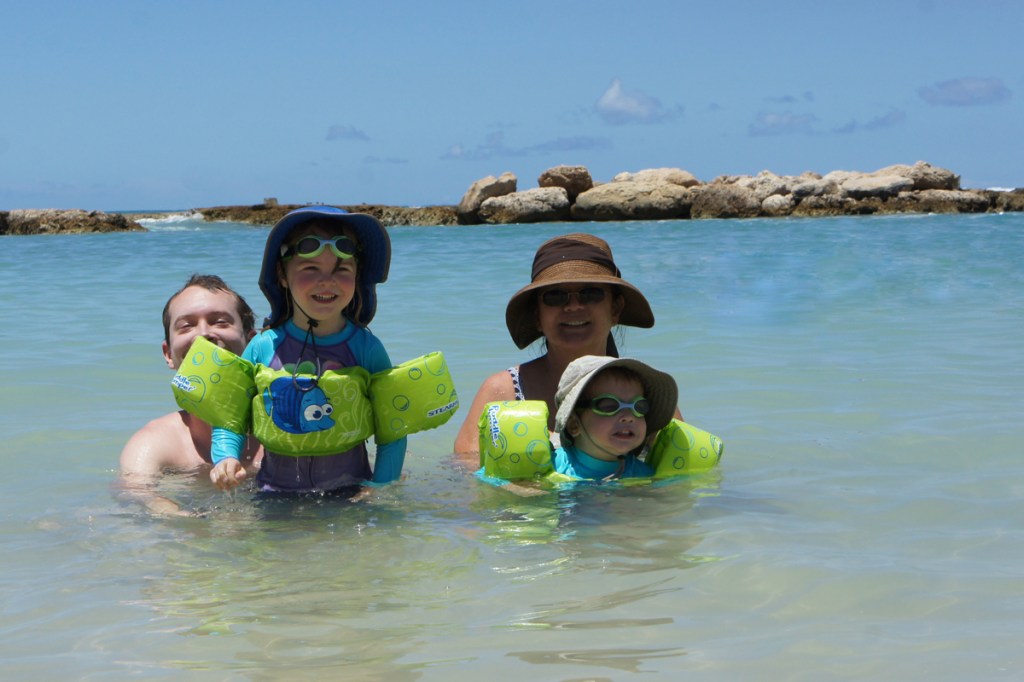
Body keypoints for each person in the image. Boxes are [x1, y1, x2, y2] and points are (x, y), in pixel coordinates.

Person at [208, 206, 406, 494]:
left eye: (342, 269)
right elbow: (229, 416)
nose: (327, 281)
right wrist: (225, 457)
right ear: (283, 275)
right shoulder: (263, 347)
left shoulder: (366, 348)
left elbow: (393, 430)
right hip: (274, 494)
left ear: (357, 275)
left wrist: (381, 486)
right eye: (311, 269)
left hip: (350, 493)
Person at [453, 232, 659, 458]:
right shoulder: (503, 392)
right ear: (537, 316)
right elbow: (467, 475)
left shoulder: (645, 393)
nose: (572, 306)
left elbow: (680, 482)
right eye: (555, 296)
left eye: (590, 293)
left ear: (615, 309)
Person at [119, 274, 262, 515]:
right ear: (168, 354)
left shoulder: (283, 428)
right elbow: (132, 492)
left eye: (220, 322)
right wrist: (176, 514)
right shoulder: (157, 442)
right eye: (187, 326)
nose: (203, 334)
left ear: (252, 343)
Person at [551, 355, 678, 480]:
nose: (629, 417)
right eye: (609, 406)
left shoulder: (645, 476)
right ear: (574, 425)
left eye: (639, 407)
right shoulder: (550, 469)